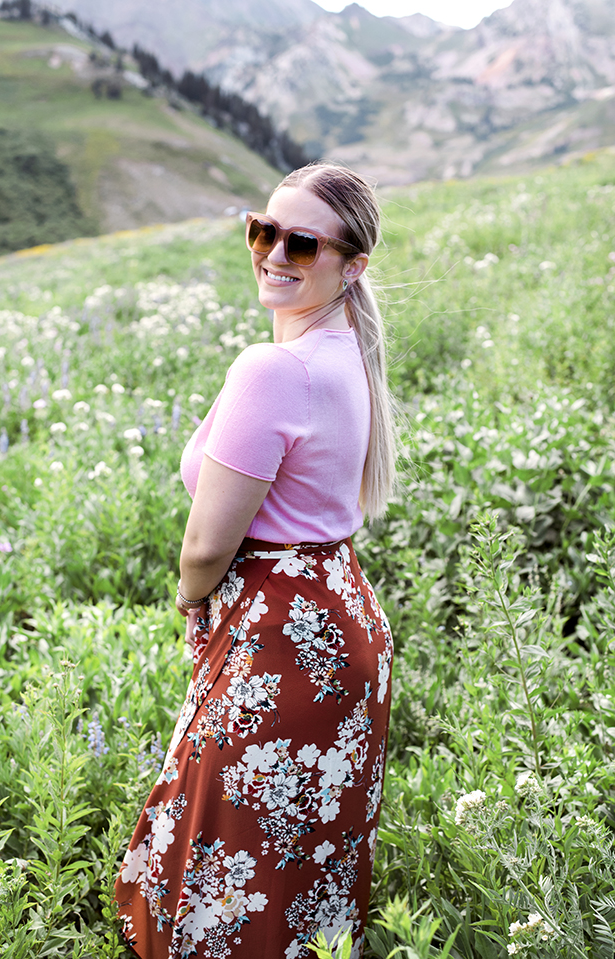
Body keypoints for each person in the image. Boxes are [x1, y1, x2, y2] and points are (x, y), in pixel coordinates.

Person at [115, 160, 397, 959]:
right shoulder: (346, 352)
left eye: (300, 241)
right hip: (340, 619)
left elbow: (208, 541)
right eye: (261, 229)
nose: (273, 252)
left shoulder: (275, 368)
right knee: (296, 865)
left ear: (352, 264)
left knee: (233, 856)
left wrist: (189, 599)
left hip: (281, 635)